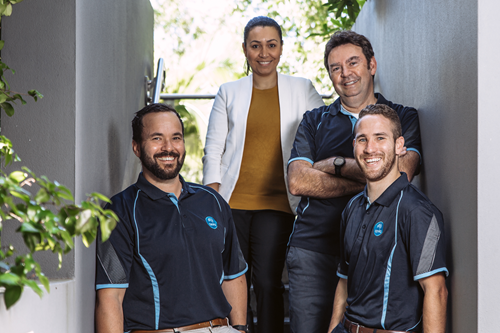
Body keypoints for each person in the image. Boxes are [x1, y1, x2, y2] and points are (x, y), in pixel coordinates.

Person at [286, 31, 422, 333]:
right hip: (314, 249)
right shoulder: (313, 120)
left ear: (371, 65)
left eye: (353, 62)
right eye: (336, 67)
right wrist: (371, 179)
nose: (345, 73)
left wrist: (334, 165)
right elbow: (297, 182)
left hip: (377, 250)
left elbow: (402, 174)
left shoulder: (402, 117)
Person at [202, 16, 324, 333]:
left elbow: (323, 135)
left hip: (278, 203)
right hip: (232, 203)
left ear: (281, 48)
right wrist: (213, 202)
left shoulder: (303, 89)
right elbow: (213, 149)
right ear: (245, 49)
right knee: (233, 278)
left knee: (268, 281)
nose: (264, 52)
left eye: (271, 45)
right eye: (255, 46)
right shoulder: (228, 92)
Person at [95, 103, 248, 333]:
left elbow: (233, 275)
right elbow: (111, 297)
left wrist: (240, 328)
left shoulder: (213, 202)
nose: (169, 148)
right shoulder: (120, 210)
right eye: (157, 138)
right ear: (136, 147)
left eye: (176, 138)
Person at [328, 104, 448, 333]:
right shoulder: (352, 208)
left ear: (399, 145)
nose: (370, 148)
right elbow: (344, 282)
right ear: (354, 146)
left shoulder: (417, 211)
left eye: (380, 138)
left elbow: (436, 291)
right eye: (362, 139)